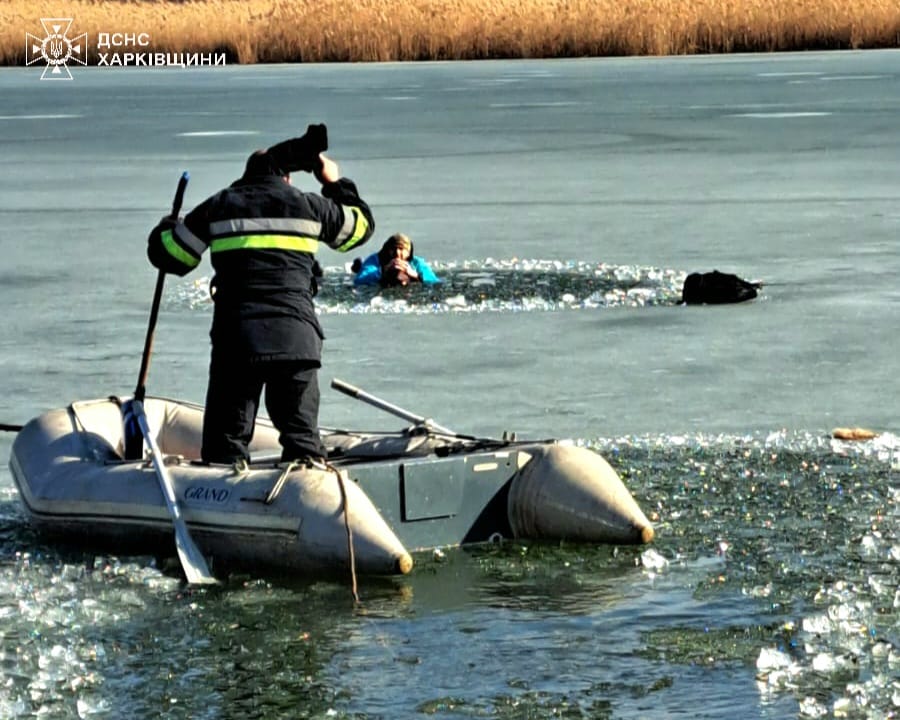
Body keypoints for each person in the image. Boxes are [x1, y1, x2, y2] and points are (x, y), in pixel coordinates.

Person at [146, 123, 375, 465]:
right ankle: (308, 498)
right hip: (296, 339)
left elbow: (171, 257)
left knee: (226, 445)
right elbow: (360, 229)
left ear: (245, 176)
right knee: (303, 444)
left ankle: (223, 504)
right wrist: (335, 183)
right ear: (286, 178)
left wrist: (167, 225)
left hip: (238, 342)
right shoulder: (308, 205)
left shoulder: (220, 205)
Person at [352, 233, 440, 287]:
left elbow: (434, 280)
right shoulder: (376, 260)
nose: (397, 253)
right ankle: (358, 266)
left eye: (401, 249)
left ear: (409, 252)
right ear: (387, 249)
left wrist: (415, 275)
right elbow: (359, 280)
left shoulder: (416, 263)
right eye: (393, 249)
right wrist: (383, 271)